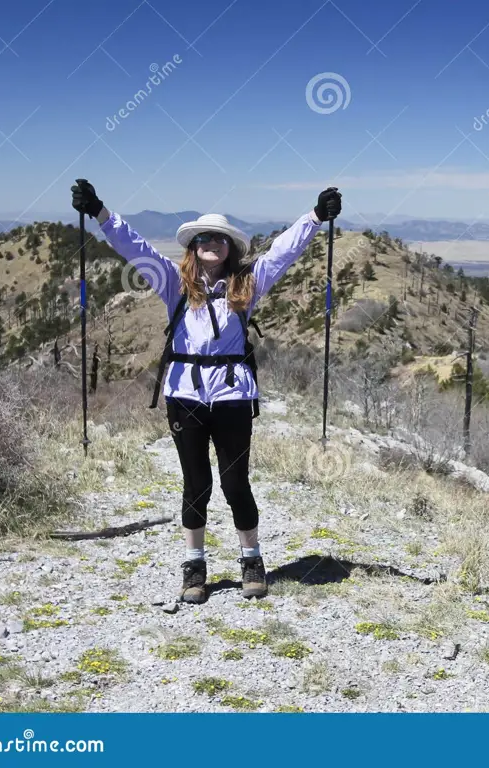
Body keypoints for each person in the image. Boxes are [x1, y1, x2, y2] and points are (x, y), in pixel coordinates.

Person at [70, 179, 342, 602]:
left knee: (236, 483)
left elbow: (283, 253)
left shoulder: (247, 286)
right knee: (196, 483)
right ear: (193, 247)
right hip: (186, 397)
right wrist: (101, 212)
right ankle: (194, 567)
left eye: (219, 238)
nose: (211, 243)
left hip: (232, 396)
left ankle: (251, 559)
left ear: (230, 248)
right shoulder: (172, 284)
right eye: (203, 238)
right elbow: (133, 246)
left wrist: (314, 217)